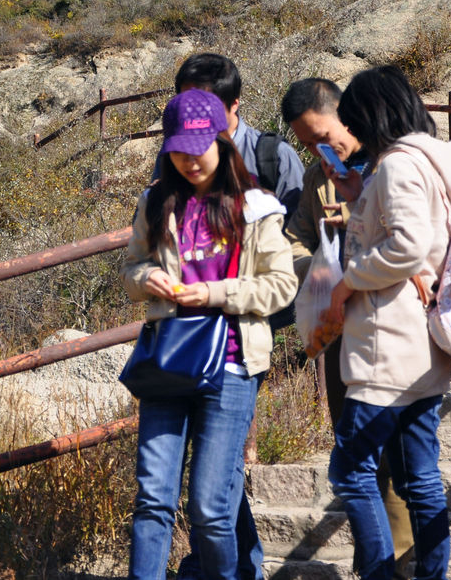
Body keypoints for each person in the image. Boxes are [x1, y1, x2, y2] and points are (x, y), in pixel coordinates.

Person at [122, 88, 297, 580]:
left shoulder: (256, 206)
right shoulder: (155, 201)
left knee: (211, 509)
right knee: (152, 500)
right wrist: (147, 279)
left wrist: (215, 294)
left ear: (222, 141)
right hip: (169, 361)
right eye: (179, 150)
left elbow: (281, 286)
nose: (189, 160)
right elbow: (131, 269)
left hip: (233, 365)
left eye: (199, 148)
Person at [313, 65, 451, 580]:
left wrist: (345, 285)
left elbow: (405, 246)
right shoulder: (428, 163)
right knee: (418, 477)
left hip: (387, 345)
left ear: (374, 114)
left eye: (355, 121)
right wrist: (359, 192)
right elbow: (407, 235)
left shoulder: (399, 165)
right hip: (421, 348)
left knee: (351, 471)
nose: (352, 133)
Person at [280, 78, 417, 578]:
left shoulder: (390, 161)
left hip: (394, 328)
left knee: (397, 454)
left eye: (321, 136)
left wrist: (357, 235)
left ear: (345, 114)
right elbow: (293, 240)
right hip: (342, 333)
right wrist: (319, 266)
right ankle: (372, 560)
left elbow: (413, 240)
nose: (318, 150)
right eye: (306, 144)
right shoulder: (319, 178)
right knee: (355, 452)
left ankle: (403, 558)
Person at [160, 52, 304, 221]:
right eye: (187, 103)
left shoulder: (275, 155)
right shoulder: (174, 154)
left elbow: (300, 225)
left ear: (234, 104)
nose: (195, 111)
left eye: (207, 105)